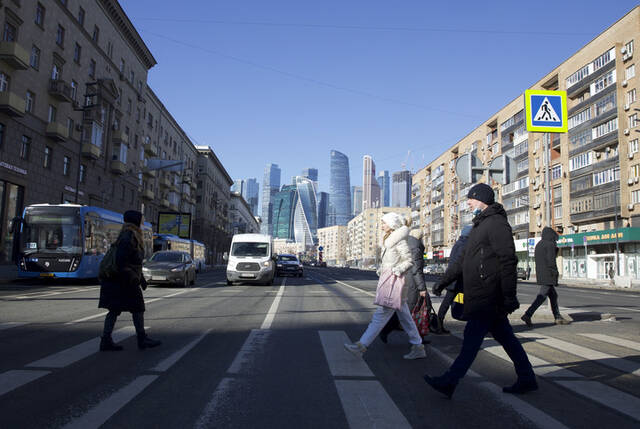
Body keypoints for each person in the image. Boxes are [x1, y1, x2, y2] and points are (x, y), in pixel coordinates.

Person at [424, 183, 537, 398]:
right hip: (482, 294)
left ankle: (450, 381)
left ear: (482, 199)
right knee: (507, 339)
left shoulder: (496, 224)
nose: (467, 202)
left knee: (471, 341)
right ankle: (527, 378)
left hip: (488, 294)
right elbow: (462, 261)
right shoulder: (479, 225)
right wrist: (442, 281)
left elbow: (508, 260)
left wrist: (509, 296)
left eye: (471, 199)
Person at [344, 212, 426, 360]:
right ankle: (418, 346)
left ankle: (361, 346)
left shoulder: (399, 241)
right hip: (389, 280)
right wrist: (383, 269)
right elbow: (390, 261)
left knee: (380, 315)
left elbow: (409, 261)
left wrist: (396, 270)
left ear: (392, 224)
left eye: (384, 223)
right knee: (405, 318)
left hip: (394, 282)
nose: (381, 225)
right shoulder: (389, 240)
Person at [98, 210, 161, 351]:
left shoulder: (128, 235)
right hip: (122, 282)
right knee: (137, 308)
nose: (142, 223)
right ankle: (141, 339)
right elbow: (122, 261)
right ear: (136, 222)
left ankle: (107, 340)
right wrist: (134, 278)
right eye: (141, 220)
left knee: (115, 310)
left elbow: (133, 262)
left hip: (118, 281)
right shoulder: (129, 236)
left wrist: (141, 279)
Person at [379, 221, 428, 344]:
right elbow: (416, 269)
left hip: (404, 280)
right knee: (404, 311)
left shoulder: (406, 242)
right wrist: (422, 288)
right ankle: (385, 331)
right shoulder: (416, 247)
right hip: (411, 284)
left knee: (403, 311)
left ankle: (418, 341)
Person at [521, 227, 569, 327]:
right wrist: (555, 273)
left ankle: (557, 317)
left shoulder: (539, 244)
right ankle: (527, 314)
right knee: (542, 296)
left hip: (541, 274)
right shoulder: (550, 244)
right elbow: (551, 260)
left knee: (553, 296)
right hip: (548, 274)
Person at [432, 224, 473, 334]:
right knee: (467, 302)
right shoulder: (465, 245)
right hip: (457, 279)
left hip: (454, 279)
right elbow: (459, 265)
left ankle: (438, 325)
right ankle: (438, 325)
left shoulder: (459, 243)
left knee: (447, 302)